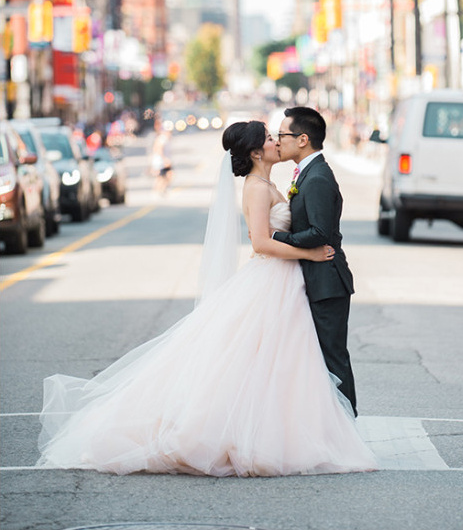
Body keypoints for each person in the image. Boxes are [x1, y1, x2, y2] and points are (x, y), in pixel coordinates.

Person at [36, 120, 376, 476]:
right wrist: (309, 255)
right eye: (271, 138)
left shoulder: (268, 182)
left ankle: (281, 429)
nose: (277, 142)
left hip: (283, 279)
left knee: (277, 363)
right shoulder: (257, 188)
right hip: (273, 277)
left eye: (278, 136)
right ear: (257, 152)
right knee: (260, 358)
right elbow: (260, 242)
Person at [274, 107, 358, 416]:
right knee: (315, 358)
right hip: (314, 279)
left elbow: (321, 232)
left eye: (283, 135)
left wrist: (276, 238)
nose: (278, 141)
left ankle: (347, 424)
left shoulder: (318, 177)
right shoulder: (307, 172)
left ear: (303, 139)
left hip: (327, 282)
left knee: (332, 359)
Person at [150, 118, 172, 192]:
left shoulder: (163, 138)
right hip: (160, 161)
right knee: (162, 176)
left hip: (160, 160)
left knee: (163, 176)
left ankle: (161, 189)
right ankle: (158, 189)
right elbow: (158, 149)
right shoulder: (162, 138)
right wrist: (164, 159)